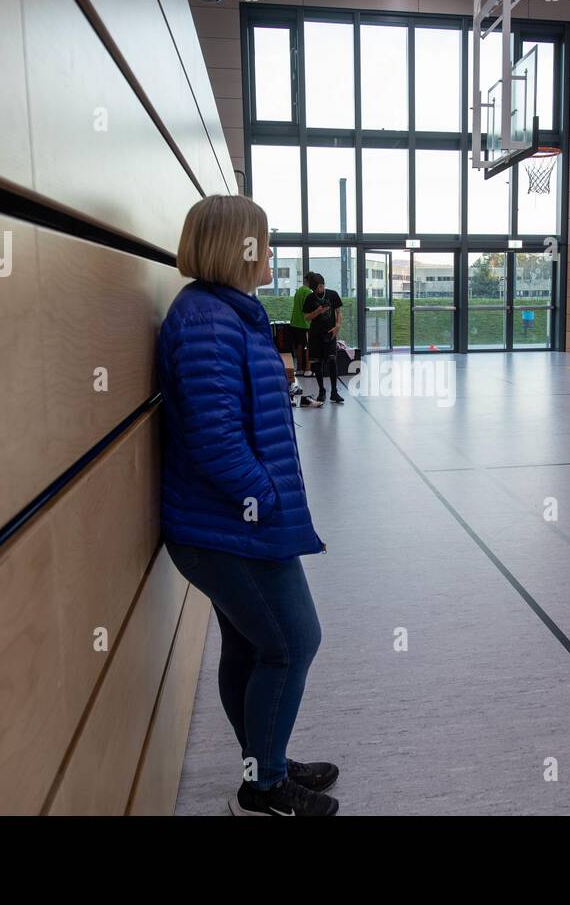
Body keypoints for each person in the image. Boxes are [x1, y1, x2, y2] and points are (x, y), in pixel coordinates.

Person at [157, 195, 338, 816]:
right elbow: (214, 439)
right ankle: (262, 790)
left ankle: (268, 763)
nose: (271, 252)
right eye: (263, 241)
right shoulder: (208, 321)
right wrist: (265, 496)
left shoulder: (229, 313)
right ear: (236, 245)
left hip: (232, 524)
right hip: (230, 527)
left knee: (253, 646)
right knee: (293, 642)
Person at [304, 272, 345, 405]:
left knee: (332, 361)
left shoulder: (332, 294)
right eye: (318, 287)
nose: (321, 288)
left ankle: (334, 391)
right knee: (317, 364)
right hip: (315, 335)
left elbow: (339, 312)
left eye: (322, 285)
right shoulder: (310, 298)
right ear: (313, 287)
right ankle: (322, 390)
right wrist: (317, 312)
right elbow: (307, 317)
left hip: (330, 333)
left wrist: (338, 326)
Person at [289, 270, 314, 376]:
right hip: (305, 324)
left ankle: (299, 369)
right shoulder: (308, 292)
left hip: (295, 322)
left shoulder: (298, 291)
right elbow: (308, 309)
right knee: (309, 346)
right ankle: (308, 369)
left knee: (299, 346)